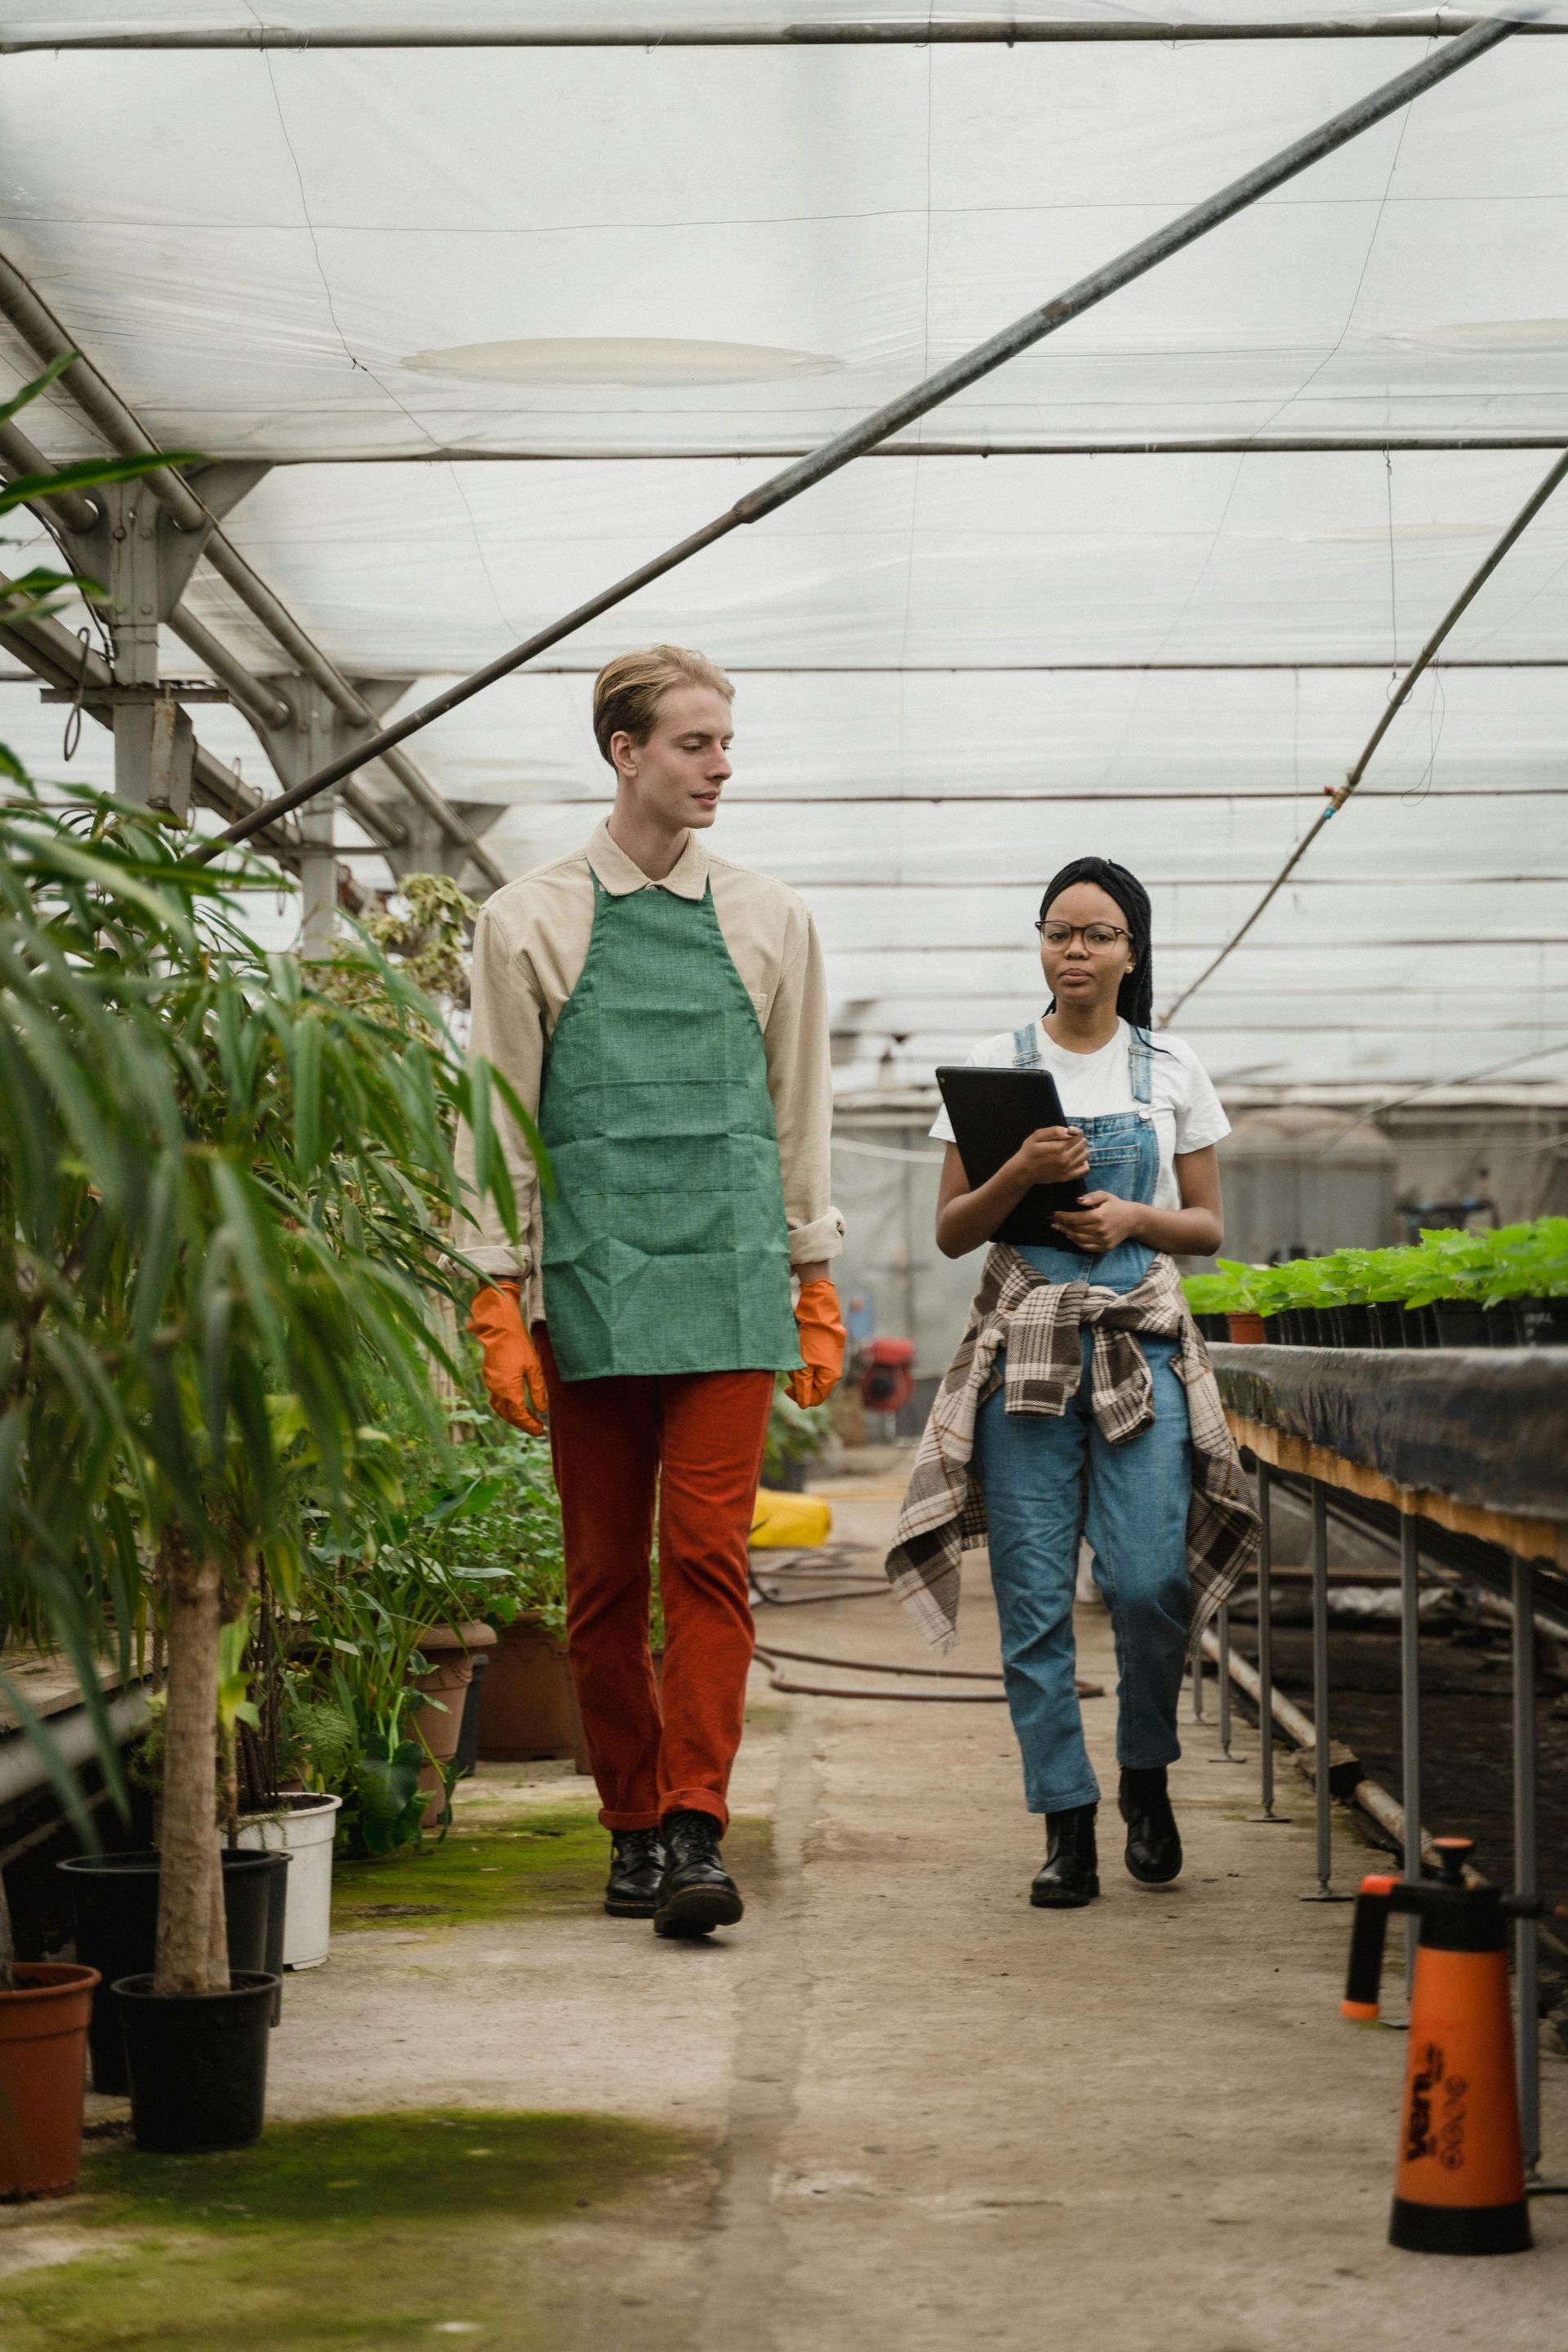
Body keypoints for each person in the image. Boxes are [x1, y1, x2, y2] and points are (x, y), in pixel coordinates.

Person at [457, 646, 845, 1936]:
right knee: (602, 1581)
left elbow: (798, 1110)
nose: (721, 767)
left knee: (709, 1563)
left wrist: (815, 1269)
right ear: (624, 752)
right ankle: (627, 1823)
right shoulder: (530, 919)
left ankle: (694, 1825)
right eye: (695, 744)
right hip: (593, 1284)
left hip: (732, 1280)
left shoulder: (772, 917)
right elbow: (499, 1119)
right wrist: (493, 1289)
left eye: (727, 743)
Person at [885, 857, 1258, 1909]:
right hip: (1026, 1360)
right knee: (1036, 1601)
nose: (1077, 952)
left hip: (1137, 1346)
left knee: (1149, 1582)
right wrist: (1023, 1175)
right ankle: (1066, 1823)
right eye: (1060, 932)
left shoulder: (1171, 1067)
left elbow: (1209, 1228)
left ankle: (1146, 1774)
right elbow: (955, 1231)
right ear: (1041, 945)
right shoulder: (991, 1068)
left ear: (1131, 951)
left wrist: (1135, 1221)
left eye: (1098, 935)